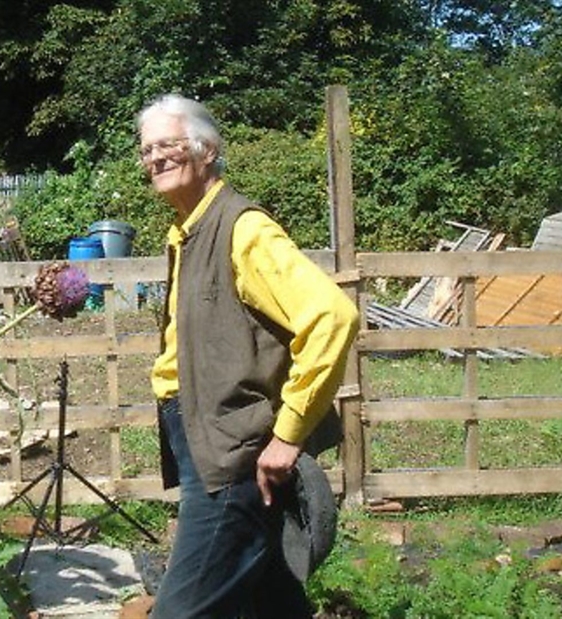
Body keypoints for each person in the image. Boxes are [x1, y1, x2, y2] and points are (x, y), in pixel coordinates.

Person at [140, 94, 359, 618]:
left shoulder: (243, 229)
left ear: (206, 149)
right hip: (206, 441)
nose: (154, 158)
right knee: (271, 605)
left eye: (168, 144)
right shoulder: (186, 232)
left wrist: (288, 436)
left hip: (233, 459)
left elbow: (331, 316)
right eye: (146, 149)